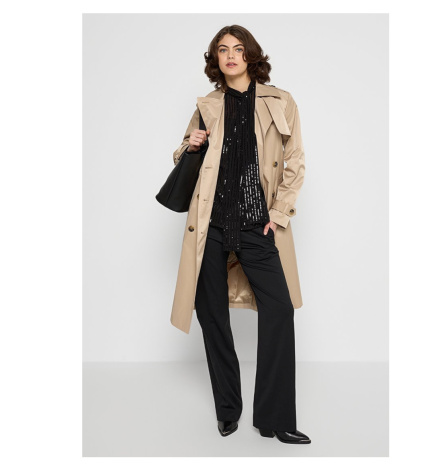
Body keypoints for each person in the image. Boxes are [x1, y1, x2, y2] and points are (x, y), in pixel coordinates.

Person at [170, 25, 310, 444]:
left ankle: (275, 418)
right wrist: (192, 144)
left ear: (251, 55)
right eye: (222, 49)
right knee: (212, 316)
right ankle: (228, 409)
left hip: (256, 224)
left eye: (238, 48)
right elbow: (181, 156)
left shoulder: (279, 101)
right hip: (210, 227)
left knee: (279, 310)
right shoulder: (207, 105)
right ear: (216, 58)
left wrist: (278, 215)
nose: (230, 55)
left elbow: (296, 162)